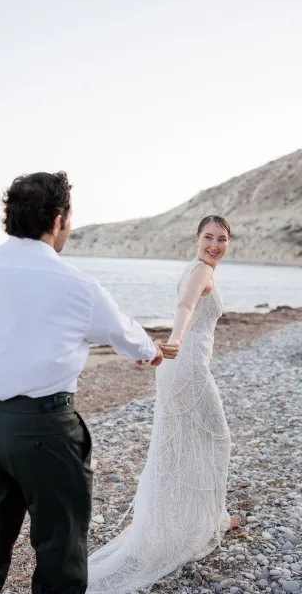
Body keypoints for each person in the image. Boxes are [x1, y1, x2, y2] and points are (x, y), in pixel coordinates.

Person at [0, 171, 179, 594]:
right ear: (57, 221)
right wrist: (151, 351)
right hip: (47, 432)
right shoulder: (77, 285)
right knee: (61, 557)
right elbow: (127, 336)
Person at [87, 215, 240, 594]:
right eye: (209, 237)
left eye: (222, 239)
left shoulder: (196, 267)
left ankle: (198, 520)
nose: (215, 245)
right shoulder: (201, 269)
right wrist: (173, 340)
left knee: (178, 445)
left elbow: (189, 305)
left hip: (182, 365)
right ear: (197, 239)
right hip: (186, 366)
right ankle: (204, 522)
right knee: (216, 439)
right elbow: (186, 307)